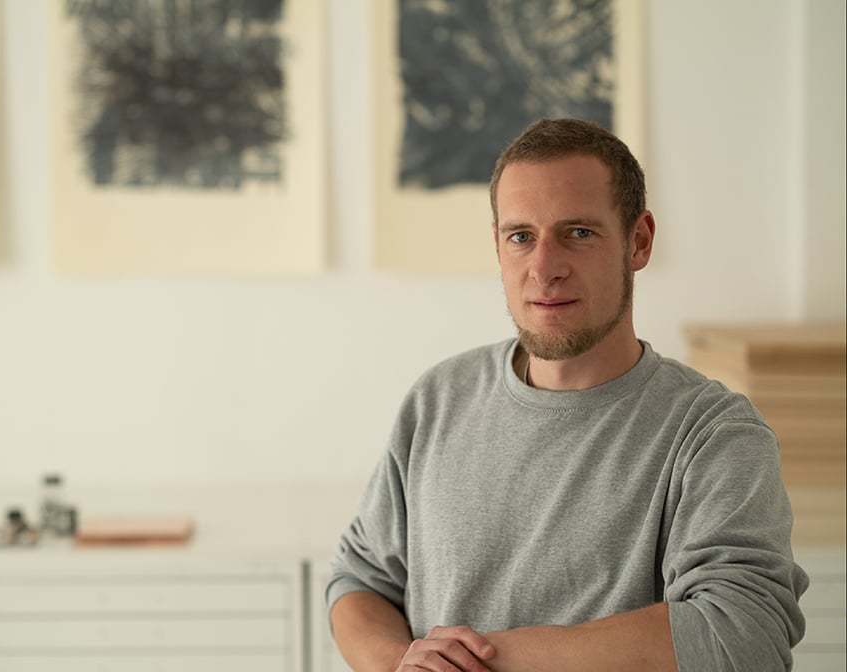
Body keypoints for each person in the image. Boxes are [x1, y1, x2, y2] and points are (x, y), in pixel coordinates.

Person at [326, 118, 808, 671]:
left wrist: (476, 659)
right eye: (521, 236)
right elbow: (360, 580)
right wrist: (404, 665)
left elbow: (743, 634)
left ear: (639, 241)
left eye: (578, 232)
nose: (544, 268)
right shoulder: (438, 399)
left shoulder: (713, 432)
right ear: (498, 245)